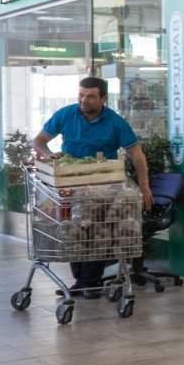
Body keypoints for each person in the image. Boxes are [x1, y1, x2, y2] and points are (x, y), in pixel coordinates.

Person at [33, 77, 152, 297]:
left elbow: (137, 154)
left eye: (90, 96)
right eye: (81, 95)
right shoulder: (66, 114)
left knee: (97, 231)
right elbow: (38, 141)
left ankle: (89, 282)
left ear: (103, 98)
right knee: (74, 229)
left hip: (103, 187)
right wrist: (48, 155)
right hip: (71, 184)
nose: (83, 100)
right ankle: (83, 281)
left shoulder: (115, 122)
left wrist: (144, 187)